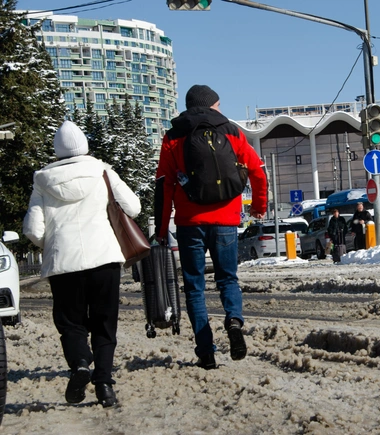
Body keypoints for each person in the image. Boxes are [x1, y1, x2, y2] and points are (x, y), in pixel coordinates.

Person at [23, 120, 141, 408]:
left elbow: (33, 230)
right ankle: (104, 385)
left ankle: (80, 366)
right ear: (85, 145)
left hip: (64, 265)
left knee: (71, 324)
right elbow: (134, 207)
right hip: (105, 259)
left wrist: (53, 245)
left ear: (57, 150)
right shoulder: (102, 171)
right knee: (104, 325)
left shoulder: (42, 181)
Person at [155, 84, 267, 369]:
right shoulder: (231, 131)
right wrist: (259, 206)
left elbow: (163, 186)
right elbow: (256, 171)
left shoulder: (173, 136)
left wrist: (161, 228)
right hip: (226, 220)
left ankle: (205, 351)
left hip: (190, 223)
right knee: (227, 279)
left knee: (194, 288)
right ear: (212, 105)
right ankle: (233, 321)